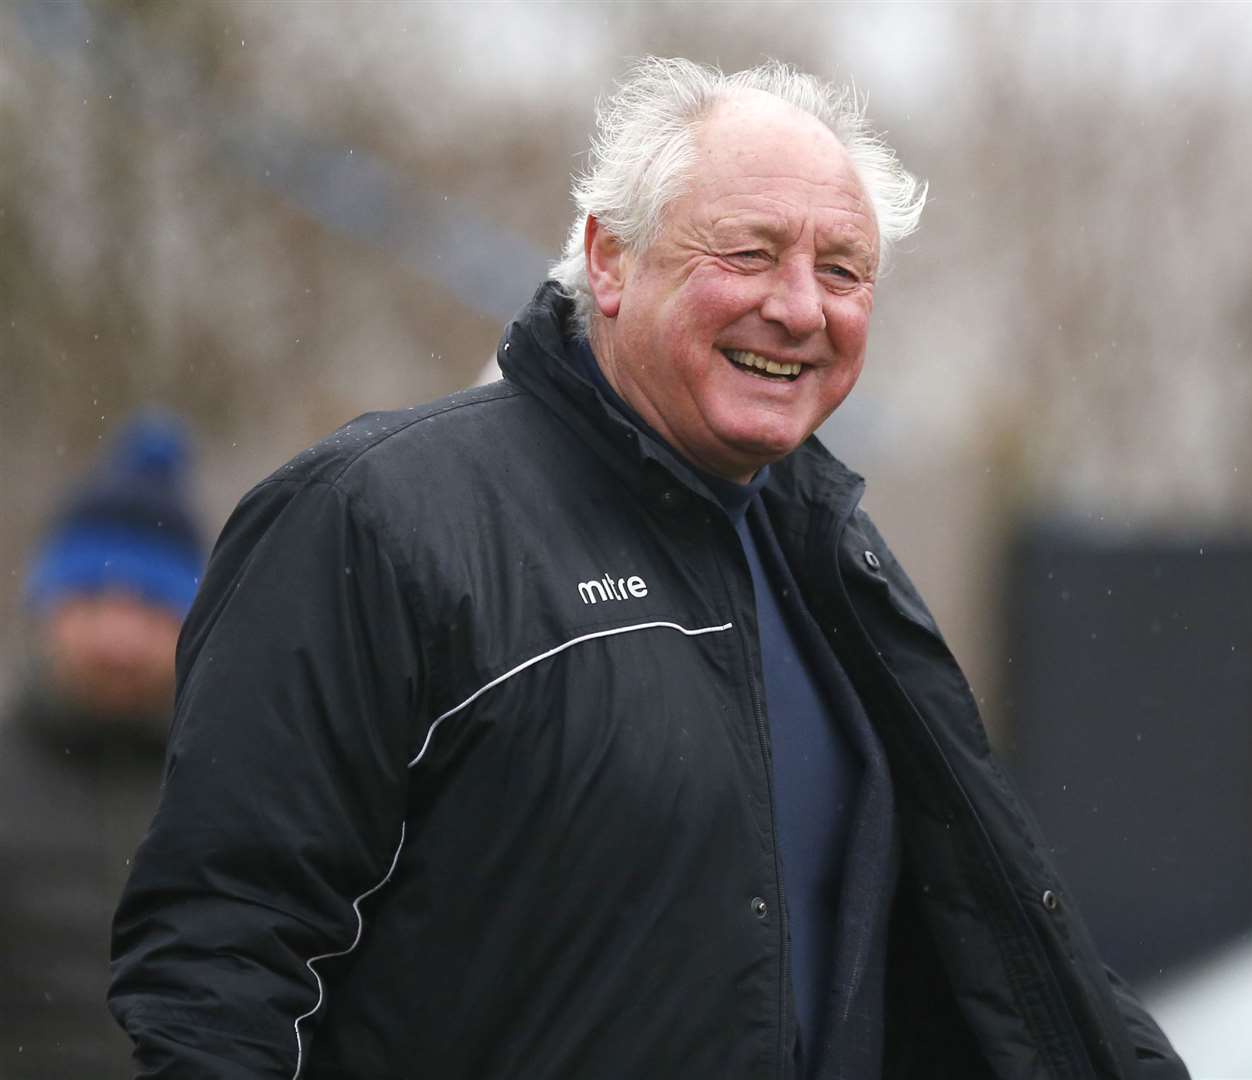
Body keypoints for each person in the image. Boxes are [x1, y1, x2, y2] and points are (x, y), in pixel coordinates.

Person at [109, 59, 1188, 1079]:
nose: (801, 307)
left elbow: (984, 924)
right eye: (750, 253)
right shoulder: (372, 518)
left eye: (843, 269)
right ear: (610, 260)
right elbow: (220, 957)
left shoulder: (838, 562)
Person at [0, 411, 206, 1078]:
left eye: (149, 604)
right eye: (92, 599)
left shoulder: (239, 786)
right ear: (47, 607)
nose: (118, 639)